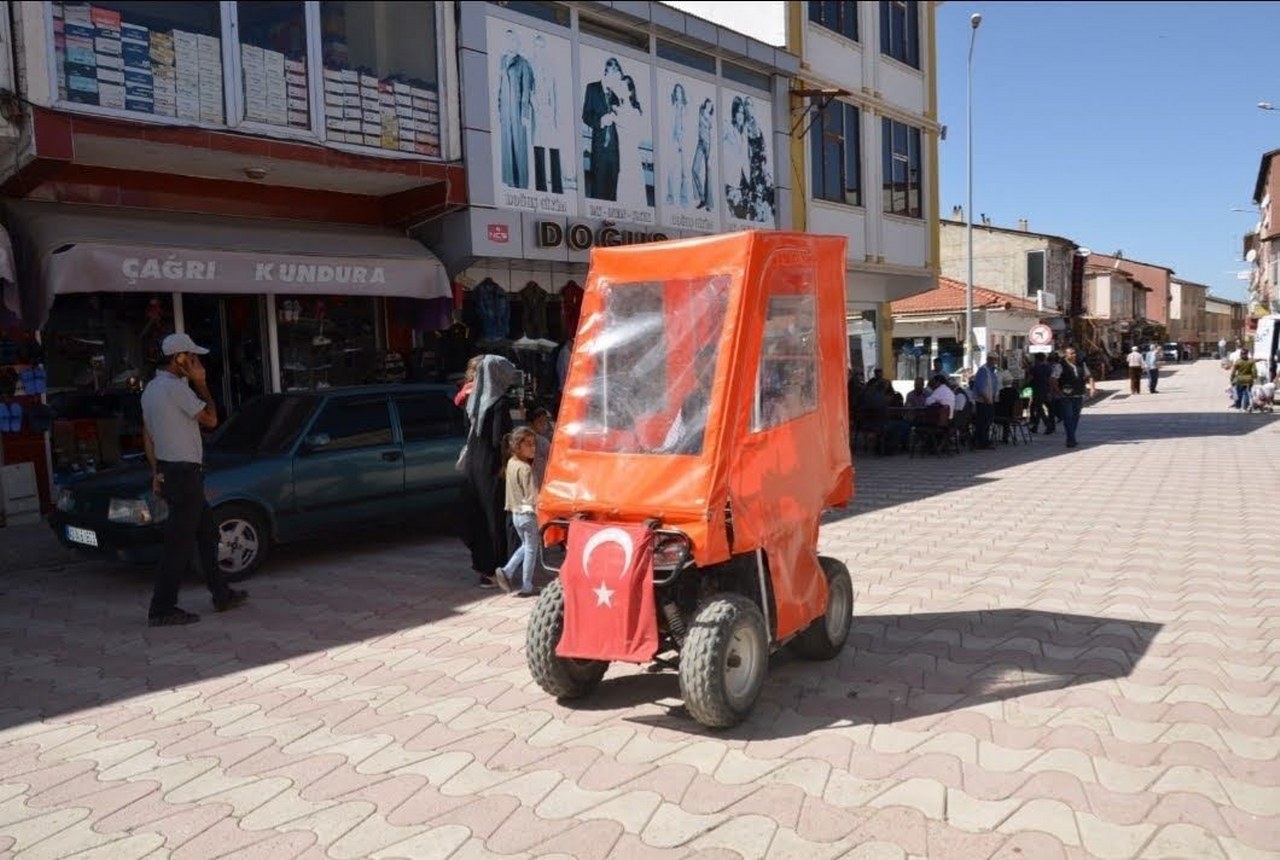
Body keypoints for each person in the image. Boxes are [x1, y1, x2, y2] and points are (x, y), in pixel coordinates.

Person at [141, 333, 246, 626]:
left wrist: (156, 473)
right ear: (180, 359)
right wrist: (201, 383)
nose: (198, 363)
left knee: (207, 531)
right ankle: (162, 608)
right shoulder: (177, 389)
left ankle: (221, 593)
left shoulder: (150, 389)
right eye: (194, 358)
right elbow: (212, 420)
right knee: (178, 543)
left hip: (172, 471)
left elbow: (147, 436)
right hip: (184, 474)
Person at [459, 354, 519, 588]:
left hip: (474, 463)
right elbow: (499, 440)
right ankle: (498, 567)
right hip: (492, 466)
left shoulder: (475, 398)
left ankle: (483, 568)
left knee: (480, 515)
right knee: (495, 516)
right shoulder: (500, 402)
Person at [494, 426, 541, 598]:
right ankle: (527, 585)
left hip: (515, 514)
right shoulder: (526, 469)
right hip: (528, 515)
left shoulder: (511, 463)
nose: (533, 447)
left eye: (533, 444)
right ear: (517, 447)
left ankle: (507, 570)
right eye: (528, 444)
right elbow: (533, 496)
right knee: (531, 549)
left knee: (526, 545)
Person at [497, 29, 534, 190]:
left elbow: (526, 92)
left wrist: (525, 115)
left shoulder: (524, 64)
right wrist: (499, 109)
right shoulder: (502, 60)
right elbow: (500, 87)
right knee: (508, 145)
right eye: (509, 40)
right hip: (506, 111)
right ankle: (510, 182)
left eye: (515, 41)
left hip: (518, 112)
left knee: (520, 147)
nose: (513, 44)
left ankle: (522, 184)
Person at [582, 57, 623, 200]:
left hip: (614, 151)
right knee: (598, 192)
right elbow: (586, 116)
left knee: (612, 193)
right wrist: (600, 121)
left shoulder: (616, 97)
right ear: (608, 72)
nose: (616, 81)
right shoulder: (592, 88)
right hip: (599, 148)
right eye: (615, 76)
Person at [530, 33, 563, 195]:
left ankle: (557, 186)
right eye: (536, 46)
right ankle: (541, 185)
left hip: (549, 110)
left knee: (554, 146)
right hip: (538, 110)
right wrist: (536, 108)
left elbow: (555, 93)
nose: (539, 49)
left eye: (541, 46)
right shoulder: (531, 65)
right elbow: (530, 91)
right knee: (539, 145)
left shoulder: (550, 67)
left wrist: (555, 115)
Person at [611, 75, 647, 206]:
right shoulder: (616, 108)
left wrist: (615, 114)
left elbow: (635, 134)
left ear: (630, 91)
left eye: (623, 87)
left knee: (633, 192)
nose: (619, 89)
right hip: (620, 154)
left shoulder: (634, 111)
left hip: (630, 156)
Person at [1051, 346, 1095, 449]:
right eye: (1071, 353)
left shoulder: (1081, 364)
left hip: (1078, 395)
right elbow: (1053, 379)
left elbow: (1090, 376)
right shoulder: (1060, 366)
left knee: (1075, 417)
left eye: (1074, 353)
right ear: (1066, 355)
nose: (1074, 355)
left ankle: (1071, 437)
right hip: (1066, 396)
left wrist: (1092, 388)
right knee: (1068, 417)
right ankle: (1070, 439)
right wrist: (1058, 392)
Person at [665, 83, 690, 208]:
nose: (678, 94)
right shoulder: (672, 107)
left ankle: (684, 199)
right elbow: (670, 126)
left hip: (684, 142)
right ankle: (670, 197)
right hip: (673, 141)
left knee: (684, 172)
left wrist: (682, 141)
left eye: (680, 92)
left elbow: (687, 128)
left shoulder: (685, 109)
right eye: (676, 92)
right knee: (671, 170)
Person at [972, 355, 1000, 450]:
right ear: (988, 359)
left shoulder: (993, 371)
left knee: (987, 422)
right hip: (984, 401)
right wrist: (987, 399)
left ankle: (984, 440)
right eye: (993, 359)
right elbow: (980, 387)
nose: (994, 361)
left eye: (995, 359)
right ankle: (981, 442)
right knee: (983, 422)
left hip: (990, 400)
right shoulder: (983, 370)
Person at [692, 98, 714, 211]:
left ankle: (708, 204)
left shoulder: (709, 117)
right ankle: (702, 198)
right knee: (695, 169)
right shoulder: (700, 112)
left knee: (707, 174)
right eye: (708, 104)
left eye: (711, 105)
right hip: (700, 142)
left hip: (708, 144)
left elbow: (709, 126)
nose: (709, 106)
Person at [1028, 352, 1056, 435]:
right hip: (1047, 390)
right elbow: (1051, 379)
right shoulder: (1049, 368)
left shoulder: (1034, 368)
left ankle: (1048, 425)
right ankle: (1036, 426)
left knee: (1039, 408)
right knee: (1049, 408)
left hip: (1037, 390)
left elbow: (1030, 378)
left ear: (1036, 359)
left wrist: (1024, 386)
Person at [529, 406, 553, 486]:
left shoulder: (523, 437)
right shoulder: (543, 441)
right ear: (531, 424)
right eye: (539, 422)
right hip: (540, 478)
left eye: (545, 422)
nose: (543, 425)